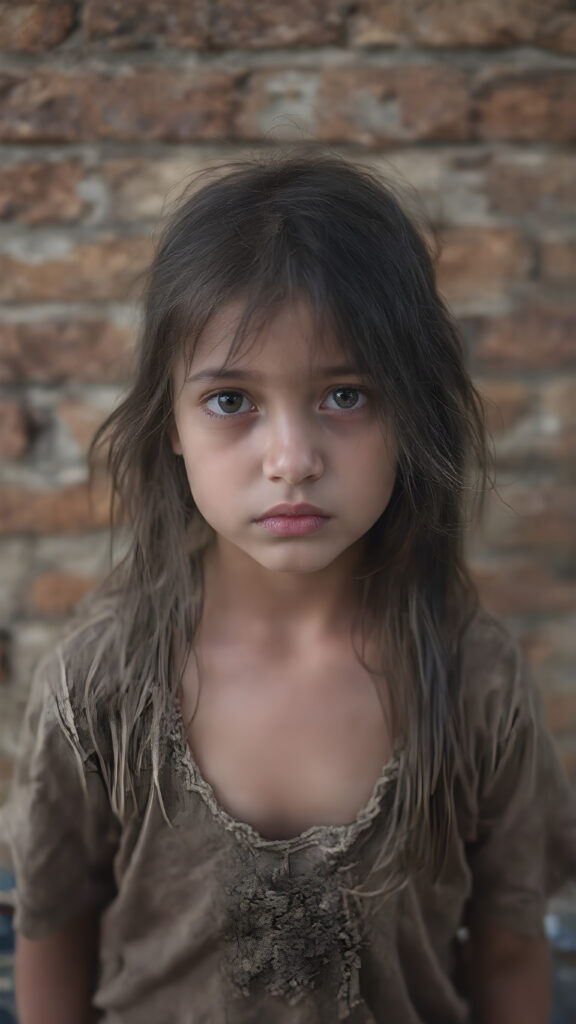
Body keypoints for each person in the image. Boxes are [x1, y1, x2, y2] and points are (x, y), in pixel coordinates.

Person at [1, 153, 575, 1024]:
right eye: (232, 401)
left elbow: (509, 949)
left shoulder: (476, 684)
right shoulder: (97, 689)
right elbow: (51, 938)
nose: (292, 460)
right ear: (171, 428)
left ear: (411, 412)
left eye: (345, 394)